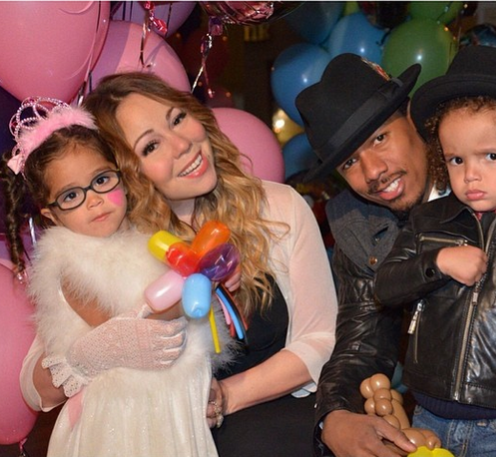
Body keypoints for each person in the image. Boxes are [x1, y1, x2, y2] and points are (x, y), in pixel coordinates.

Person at [295, 48, 496, 457]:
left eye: (379, 138)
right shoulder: (358, 220)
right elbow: (361, 340)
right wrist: (333, 417)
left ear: (413, 118)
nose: (372, 172)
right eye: (349, 162)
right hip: (434, 422)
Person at [18, 73, 337, 457]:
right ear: (125, 170)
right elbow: (34, 387)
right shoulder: (112, 242)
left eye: (178, 119)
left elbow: (322, 339)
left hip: (278, 429)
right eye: (151, 145)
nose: (183, 144)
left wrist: (228, 394)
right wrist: (92, 353)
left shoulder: (276, 207)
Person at [1, 97, 228, 456]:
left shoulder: (150, 238)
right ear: (52, 215)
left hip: (170, 403)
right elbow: (134, 327)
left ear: (121, 177)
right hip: (121, 418)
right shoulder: (69, 264)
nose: (94, 200)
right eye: (71, 195)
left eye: (102, 180)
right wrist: (200, 282)